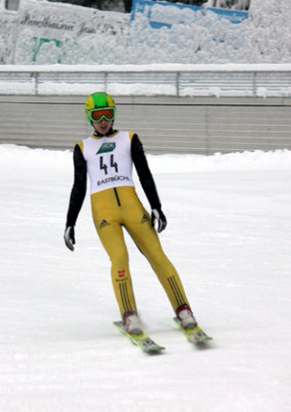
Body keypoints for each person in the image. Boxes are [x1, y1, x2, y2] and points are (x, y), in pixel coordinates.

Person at [64, 91, 197, 336]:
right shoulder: (82, 148)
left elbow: (145, 173)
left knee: (157, 255)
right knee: (120, 258)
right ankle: (129, 315)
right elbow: (78, 186)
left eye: (108, 114)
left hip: (133, 206)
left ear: (114, 115)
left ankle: (183, 309)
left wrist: (156, 205)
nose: (103, 120)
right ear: (89, 117)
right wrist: (70, 222)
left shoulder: (129, 138)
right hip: (104, 213)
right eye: (97, 115)